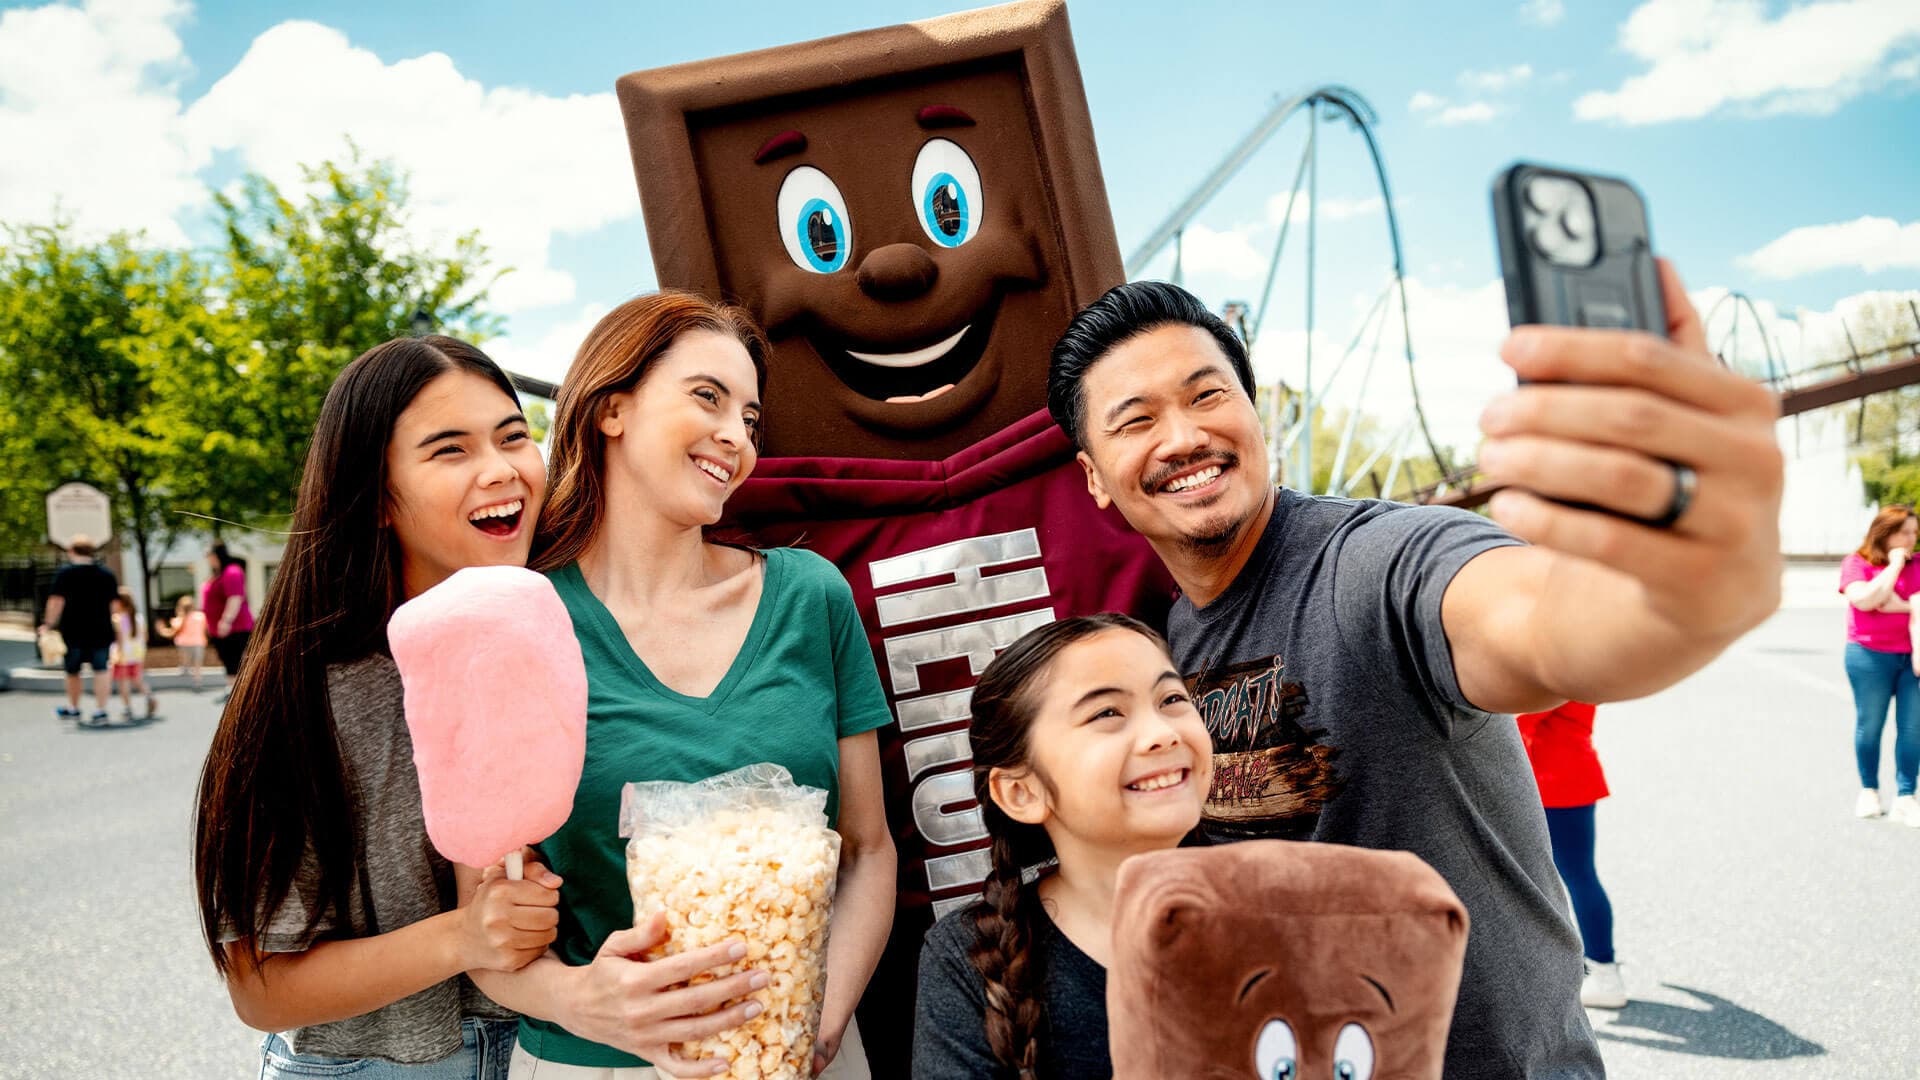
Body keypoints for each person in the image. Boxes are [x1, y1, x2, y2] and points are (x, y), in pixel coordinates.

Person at [1044, 270, 1785, 1078]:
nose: (1183, 436)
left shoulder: (1376, 563)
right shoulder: (1157, 656)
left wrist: (1675, 583)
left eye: (1207, 396)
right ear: (1095, 479)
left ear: (1255, 414)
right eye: (1137, 419)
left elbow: (1544, 625)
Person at [465, 292, 897, 1080]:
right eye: (708, 397)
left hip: (797, 1056)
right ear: (612, 408)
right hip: (592, 1067)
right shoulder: (519, 623)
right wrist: (574, 998)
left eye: (752, 420)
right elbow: (483, 926)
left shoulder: (810, 597)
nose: (736, 437)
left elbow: (868, 851)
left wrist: (815, 1027)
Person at [192, 335, 560, 1079]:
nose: (501, 470)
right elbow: (260, 988)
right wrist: (465, 937)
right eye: (449, 450)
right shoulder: (308, 696)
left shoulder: (559, 633)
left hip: (550, 1055)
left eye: (513, 436)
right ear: (377, 498)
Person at [913, 614, 1210, 1079]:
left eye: (1171, 698)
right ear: (1021, 793)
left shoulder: (1285, 910)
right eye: (1107, 713)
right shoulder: (966, 959)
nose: (1163, 734)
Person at [1516, 701, 1625, 1008]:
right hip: (1567, 776)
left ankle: (1604, 971)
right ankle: (1599, 967)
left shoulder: (1559, 668)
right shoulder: (1577, 661)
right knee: (1576, 876)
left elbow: (1518, 722)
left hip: (1555, 783)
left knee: (1576, 877)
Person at [1838, 505, 1919, 825]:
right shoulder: (1856, 563)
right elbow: (1865, 600)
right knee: (1870, 726)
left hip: (1913, 659)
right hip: (1869, 657)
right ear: (1884, 533)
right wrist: (1895, 566)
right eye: (1905, 532)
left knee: (1913, 730)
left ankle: (1906, 796)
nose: (1912, 539)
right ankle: (1869, 790)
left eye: (1915, 532)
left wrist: (1894, 605)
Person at [38, 534, 118, 726]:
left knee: (72, 671)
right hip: (101, 629)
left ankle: (74, 708)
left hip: (73, 630)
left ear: (72, 551)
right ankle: (101, 710)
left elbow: (56, 602)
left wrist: (48, 624)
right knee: (101, 669)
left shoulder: (65, 574)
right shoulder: (106, 574)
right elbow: (114, 606)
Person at [203, 542, 255, 703]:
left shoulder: (232, 572)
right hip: (220, 630)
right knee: (228, 660)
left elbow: (235, 597)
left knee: (235, 659)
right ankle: (233, 690)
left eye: (210, 555)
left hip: (235, 628)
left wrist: (226, 621)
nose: (208, 559)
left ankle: (240, 693)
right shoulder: (218, 574)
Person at [109, 587, 158, 722]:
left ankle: (127, 708)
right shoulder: (138, 618)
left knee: (123, 682)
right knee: (137, 680)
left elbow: (120, 639)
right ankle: (150, 697)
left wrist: (115, 654)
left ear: (120, 603)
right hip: (137, 654)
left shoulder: (118, 619)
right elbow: (145, 637)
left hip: (123, 655)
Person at [158, 594, 210, 691]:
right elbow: (206, 629)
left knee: (185, 660)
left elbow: (173, 632)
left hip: (184, 643)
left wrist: (161, 629)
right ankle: (197, 682)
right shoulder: (200, 616)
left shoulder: (180, 619)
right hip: (198, 642)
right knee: (197, 664)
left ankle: (185, 669)